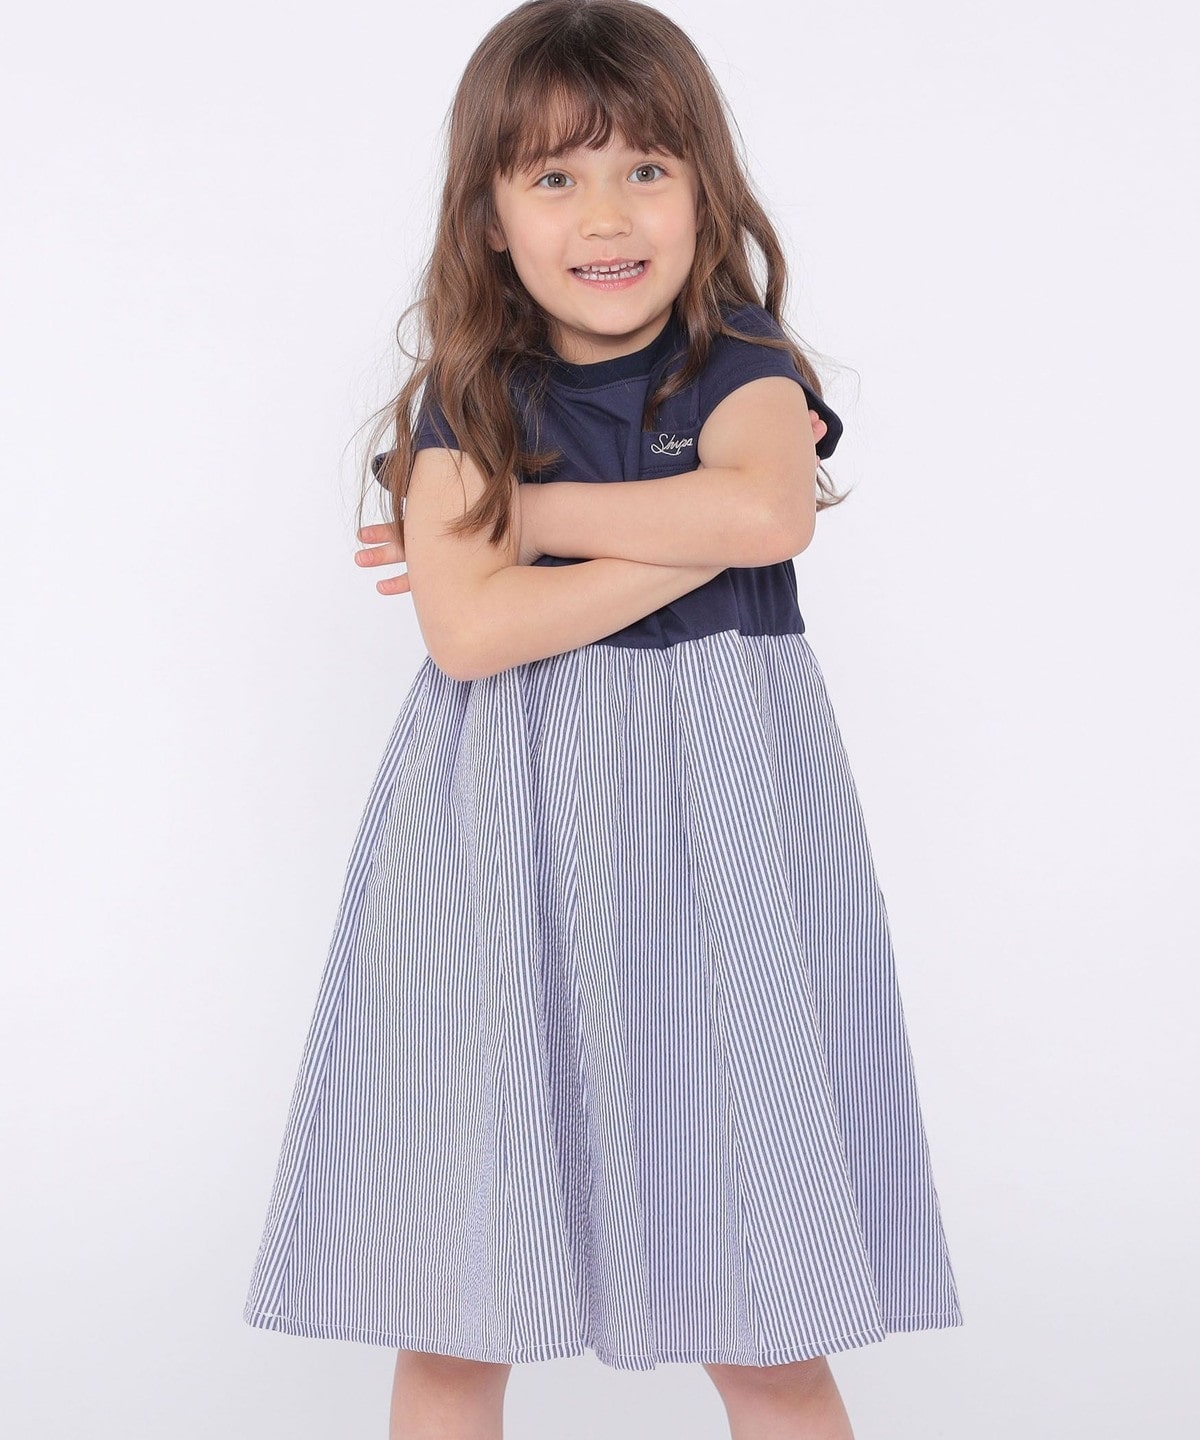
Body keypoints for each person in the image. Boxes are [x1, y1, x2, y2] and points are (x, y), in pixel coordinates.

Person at [241, 2, 964, 1436]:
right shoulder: (468, 395)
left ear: (705, 189)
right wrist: (689, 531)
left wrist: (519, 517)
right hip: (494, 841)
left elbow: (766, 510)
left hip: (727, 845)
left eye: (645, 168)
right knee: (457, 1299)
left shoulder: (743, 363)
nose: (606, 215)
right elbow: (471, 629)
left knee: (762, 1291)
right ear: (490, 216)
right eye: (555, 177)